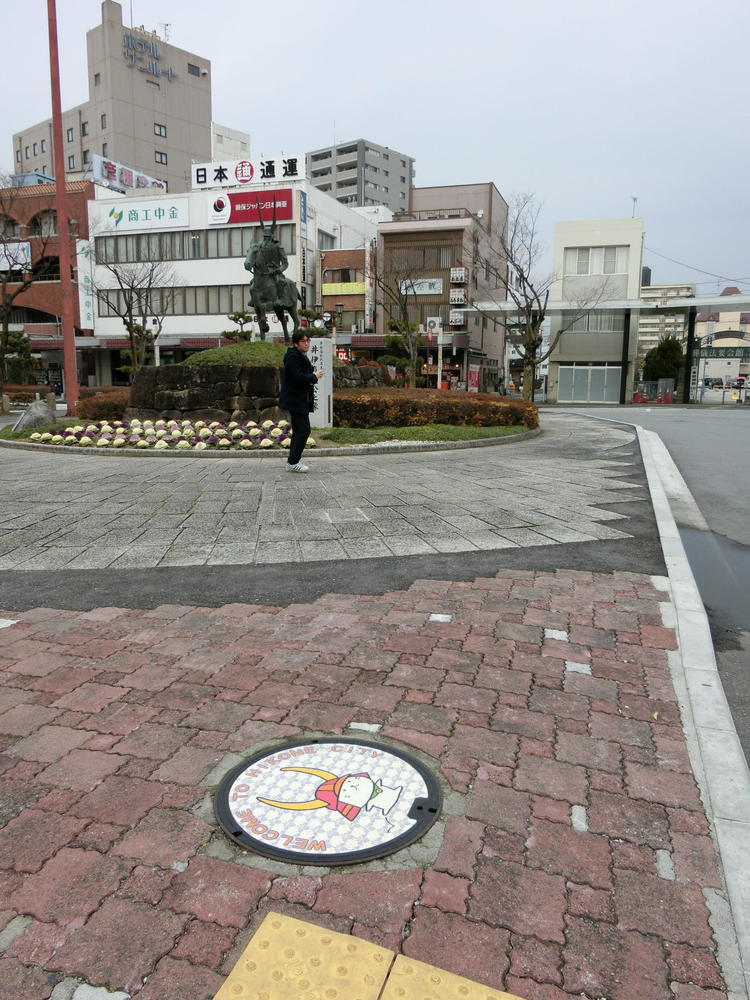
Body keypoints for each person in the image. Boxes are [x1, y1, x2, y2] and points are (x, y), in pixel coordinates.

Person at [278, 331, 324, 473]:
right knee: (304, 430)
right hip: (295, 399)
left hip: (298, 398)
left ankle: (292, 461)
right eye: (303, 341)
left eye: (308, 340)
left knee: (299, 430)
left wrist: (312, 376)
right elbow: (298, 377)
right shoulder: (293, 356)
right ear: (296, 343)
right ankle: (293, 462)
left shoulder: (298, 355)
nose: (306, 343)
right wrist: (313, 376)